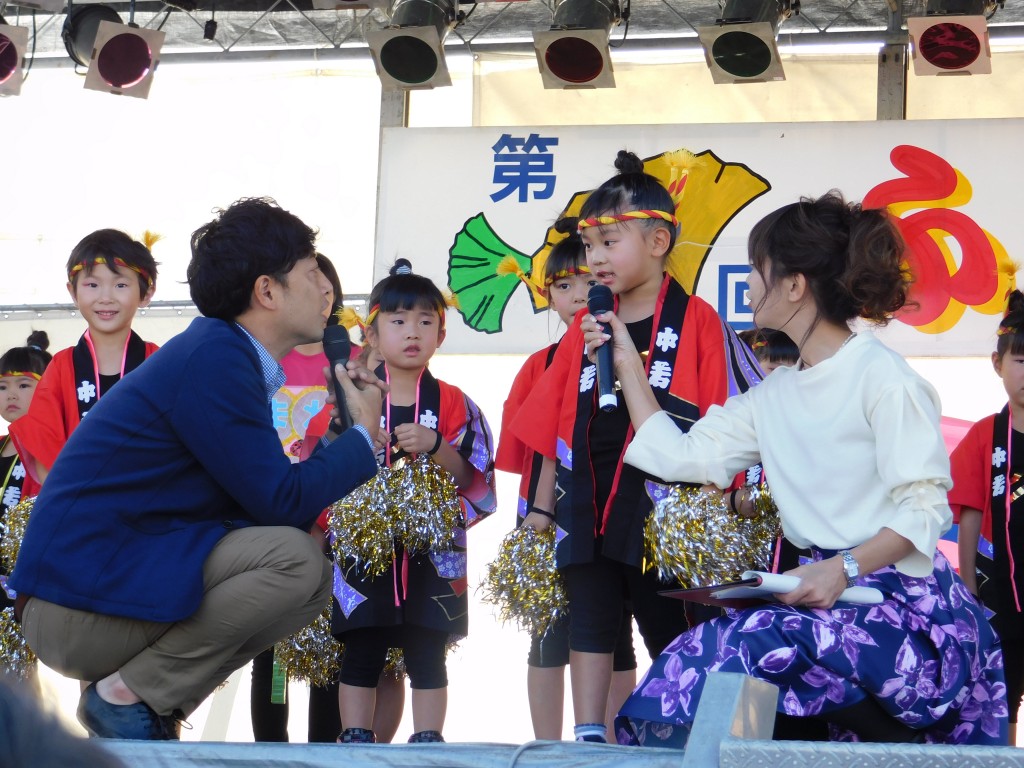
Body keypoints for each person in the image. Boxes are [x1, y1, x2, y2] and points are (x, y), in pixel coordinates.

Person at [585, 191, 1006, 746]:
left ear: (794, 285)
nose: (751, 284)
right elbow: (683, 456)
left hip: (902, 614)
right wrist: (626, 366)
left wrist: (843, 569)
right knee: (697, 651)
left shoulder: (885, 379)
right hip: (820, 604)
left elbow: (924, 510)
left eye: (758, 271)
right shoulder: (775, 393)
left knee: (737, 647)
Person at [9, 197, 386, 741]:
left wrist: (340, 435)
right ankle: (126, 696)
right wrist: (359, 439)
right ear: (267, 291)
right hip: (74, 606)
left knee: (309, 578)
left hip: (102, 591)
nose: (328, 290)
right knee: (294, 563)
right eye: (311, 273)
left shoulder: (220, 353)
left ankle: (147, 706)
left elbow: (264, 499)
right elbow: (279, 503)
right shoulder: (216, 357)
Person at [510, 150, 762, 744]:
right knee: (591, 619)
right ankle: (590, 734)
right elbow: (551, 428)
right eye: (589, 244)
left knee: (671, 626)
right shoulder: (586, 327)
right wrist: (542, 510)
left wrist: (728, 502)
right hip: (588, 498)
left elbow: (728, 421)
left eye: (609, 241)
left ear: (657, 239)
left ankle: (686, 733)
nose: (595, 257)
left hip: (663, 508)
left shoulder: (699, 321)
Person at [333, 258, 496, 745]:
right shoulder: (347, 397)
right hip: (364, 548)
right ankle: (356, 737)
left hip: (435, 554)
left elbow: (478, 482)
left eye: (426, 321)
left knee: (428, 650)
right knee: (361, 647)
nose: (412, 332)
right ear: (373, 333)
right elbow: (322, 470)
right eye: (398, 321)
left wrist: (437, 445)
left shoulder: (455, 403)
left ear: (441, 335)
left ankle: (428, 739)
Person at [495, 217, 637, 740]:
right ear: (546, 296)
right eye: (562, 285)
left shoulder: (630, 347)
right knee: (547, 630)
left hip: (610, 503)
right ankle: (548, 744)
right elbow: (529, 441)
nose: (578, 294)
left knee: (614, 628)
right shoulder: (541, 363)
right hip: (546, 507)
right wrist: (539, 509)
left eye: (585, 280)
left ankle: (622, 739)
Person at [250, 252, 348, 744]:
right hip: (274, 511)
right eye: (313, 288)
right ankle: (269, 749)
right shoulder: (264, 360)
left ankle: (325, 750)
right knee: (269, 645)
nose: (322, 300)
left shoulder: (349, 363)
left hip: (334, 517)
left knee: (332, 637)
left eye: (330, 291)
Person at [9, 230, 160, 486]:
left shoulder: (159, 361)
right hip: (78, 507)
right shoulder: (61, 365)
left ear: (146, 293)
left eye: (121, 285)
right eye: (92, 285)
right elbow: (43, 450)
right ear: (73, 292)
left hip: (148, 506)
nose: (106, 297)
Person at [949, 289, 1024, 744]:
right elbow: (970, 519)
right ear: (997, 364)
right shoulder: (985, 435)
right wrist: (969, 593)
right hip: (1001, 594)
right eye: (1020, 361)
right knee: (1002, 696)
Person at [0, 333, 51, 614]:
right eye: (2, 386)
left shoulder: (51, 448)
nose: (11, 395)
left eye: (23, 384)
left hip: (23, 581)